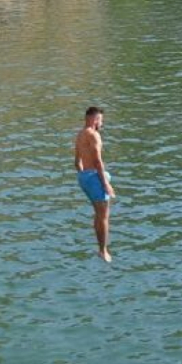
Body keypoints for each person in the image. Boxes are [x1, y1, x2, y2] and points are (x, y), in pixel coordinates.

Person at [74, 105, 116, 262]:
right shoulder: (93, 135)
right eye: (100, 120)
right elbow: (98, 161)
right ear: (94, 119)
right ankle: (103, 251)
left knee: (98, 214)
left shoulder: (80, 135)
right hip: (94, 177)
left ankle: (101, 248)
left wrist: (83, 178)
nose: (101, 124)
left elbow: (77, 162)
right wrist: (105, 183)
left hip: (84, 177)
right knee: (104, 215)